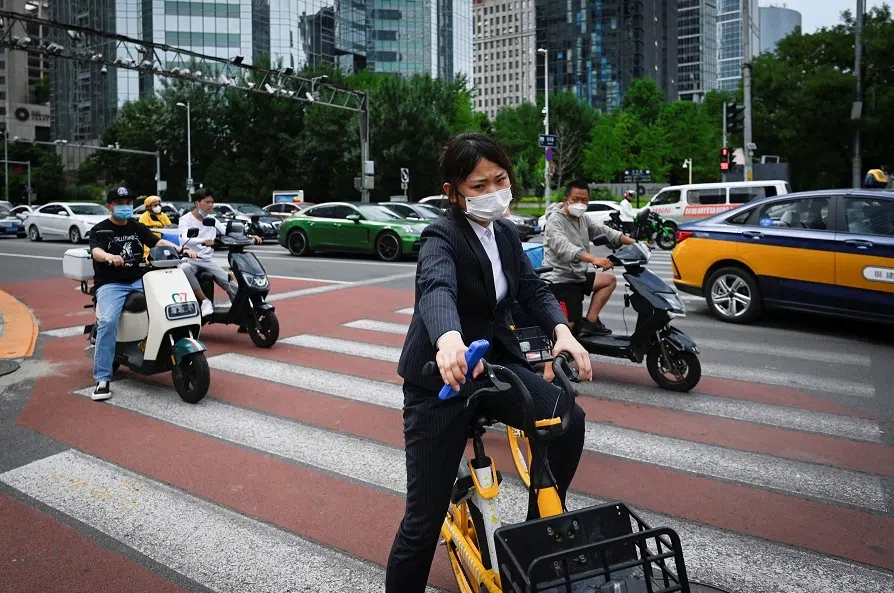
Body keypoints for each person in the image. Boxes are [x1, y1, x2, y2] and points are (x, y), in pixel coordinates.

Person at [386, 133, 593, 593]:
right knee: (422, 522)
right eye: (478, 186)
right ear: (453, 192)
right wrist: (449, 340)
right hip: (442, 376)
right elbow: (437, 289)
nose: (492, 192)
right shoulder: (442, 234)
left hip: (494, 365)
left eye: (499, 180)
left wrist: (562, 331)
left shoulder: (503, 232)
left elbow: (532, 289)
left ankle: (536, 536)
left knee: (567, 418)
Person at [88, 187, 198, 401]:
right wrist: (109, 256)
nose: (125, 206)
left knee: (165, 304)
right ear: (109, 206)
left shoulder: (136, 226)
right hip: (112, 283)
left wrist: (180, 249)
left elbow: (157, 242)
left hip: (140, 278)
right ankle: (102, 379)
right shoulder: (100, 229)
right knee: (108, 321)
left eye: (128, 202)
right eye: (120, 202)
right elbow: (96, 252)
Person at [542, 180, 637, 338]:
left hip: (578, 275)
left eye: (584, 200)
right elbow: (564, 248)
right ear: (566, 200)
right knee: (566, 329)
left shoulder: (583, 218)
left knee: (609, 280)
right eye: (575, 199)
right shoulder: (555, 220)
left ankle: (590, 323)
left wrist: (634, 243)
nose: (580, 203)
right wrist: (593, 259)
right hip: (560, 279)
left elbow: (602, 230)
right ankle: (553, 362)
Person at [178, 187, 261, 306]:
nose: (211, 205)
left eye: (212, 202)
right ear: (197, 203)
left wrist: (248, 236)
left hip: (208, 261)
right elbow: (185, 238)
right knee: (184, 268)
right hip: (191, 260)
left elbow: (227, 232)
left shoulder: (212, 219)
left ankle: (243, 313)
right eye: (207, 202)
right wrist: (204, 240)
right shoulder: (185, 220)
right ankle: (205, 301)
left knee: (232, 283)